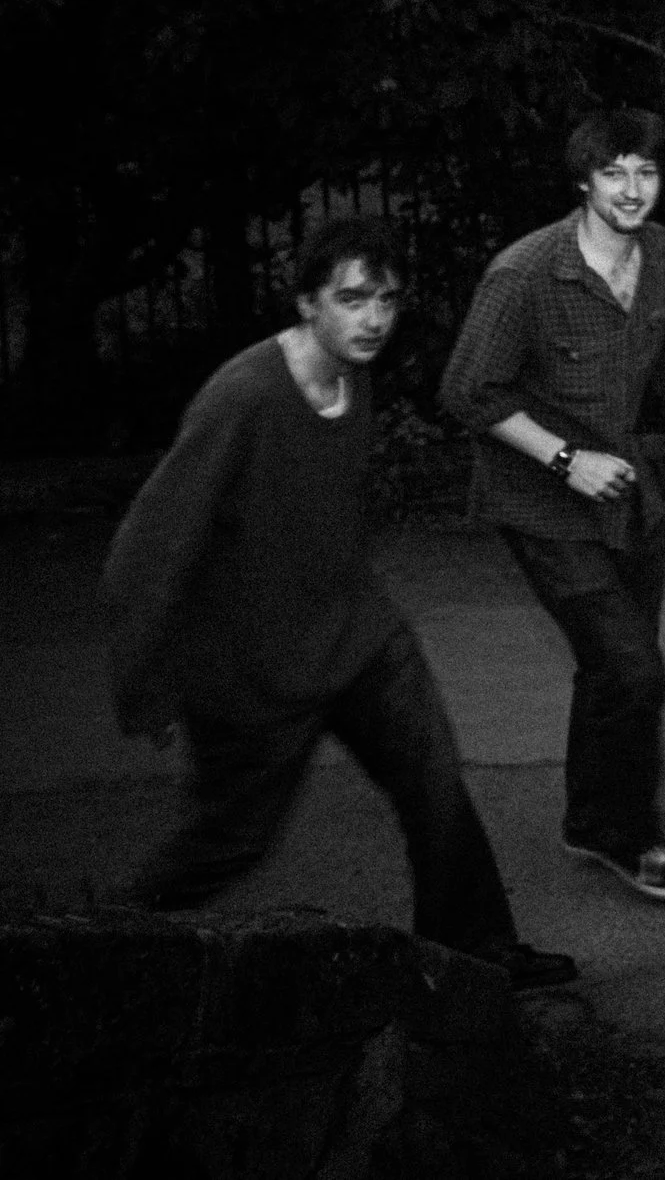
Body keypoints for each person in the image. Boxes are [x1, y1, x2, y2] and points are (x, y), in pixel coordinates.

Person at [107, 217, 575, 990]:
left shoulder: (353, 376)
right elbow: (145, 550)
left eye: (386, 300)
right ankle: (101, 953)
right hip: (253, 668)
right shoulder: (245, 397)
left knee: (434, 786)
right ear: (305, 303)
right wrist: (146, 682)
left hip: (358, 639)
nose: (374, 319)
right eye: (352, 299)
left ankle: (473, 954)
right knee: (227, 842)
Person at [440, 108, 665, 905]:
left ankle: (593, 818)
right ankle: (637, 837)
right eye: (614, 174)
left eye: (647, 174)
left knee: (614, 669)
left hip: (626, 499)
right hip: (539, 501)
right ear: (584, 182)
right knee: (635, 670)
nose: (632, 191)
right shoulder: (525, 274)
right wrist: (564, 459)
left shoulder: (657, 254)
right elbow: (465, 391)